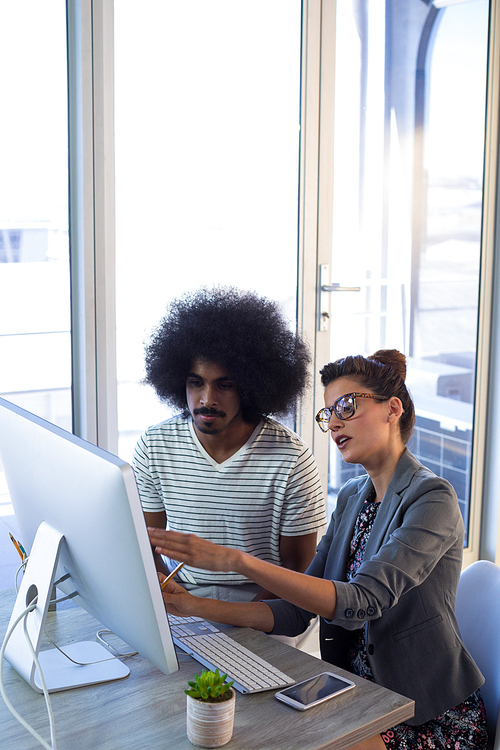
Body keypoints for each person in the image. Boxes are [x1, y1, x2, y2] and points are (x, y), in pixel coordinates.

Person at [148, 349, 487, 750]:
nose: (335, 423)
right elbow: (296, 611)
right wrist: (190, 607)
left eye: (347, 405)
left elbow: (362, 600)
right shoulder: (351, 497)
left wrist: (235, 560)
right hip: (363, 697)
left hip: (426, 715)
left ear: (392, 409)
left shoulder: (432, 498)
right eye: (329, 414)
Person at [133, 286, 326, 605]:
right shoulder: (155, 446)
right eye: (196, 383)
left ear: (250, 388)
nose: (207, 399)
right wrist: (170, 595)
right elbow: (146, 543)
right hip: (180, 591)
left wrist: (240, 618)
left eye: (224, 385)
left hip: (261, 602)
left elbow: (298, 567)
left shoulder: (291, 458)